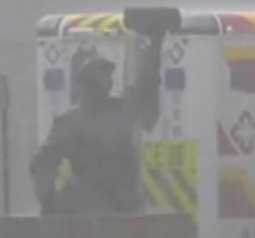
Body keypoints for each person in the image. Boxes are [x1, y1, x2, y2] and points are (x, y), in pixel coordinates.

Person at [31, 45, 161, 216]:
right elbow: (43, 164)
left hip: (124, 208)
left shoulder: (120, 111)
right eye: (99, 80)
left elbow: (145, 87)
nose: (105, 84)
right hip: (90, 211)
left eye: (107, 79)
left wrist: (155, 45)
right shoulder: (71, 122)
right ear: (84, 85)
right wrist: (49, 203)